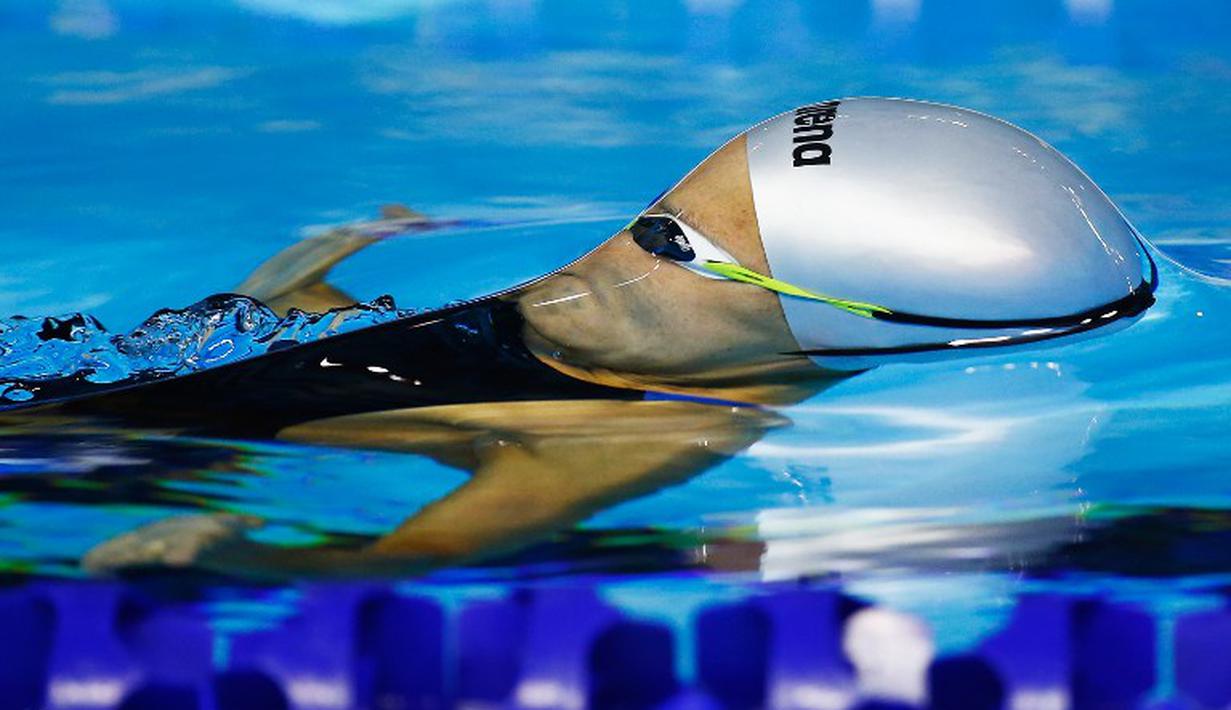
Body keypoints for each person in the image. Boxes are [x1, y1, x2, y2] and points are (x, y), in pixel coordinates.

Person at [20, 98, 1153, 579]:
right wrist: (307, 277)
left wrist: (234, 556)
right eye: (648, 207)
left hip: (91, 467)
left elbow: (410, 557)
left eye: (670, 243)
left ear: (827, 329)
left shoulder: (632, 431)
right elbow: (351, 349)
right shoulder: (614, 323)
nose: (613, 250)